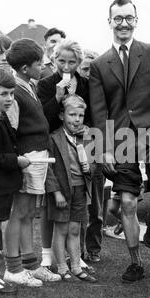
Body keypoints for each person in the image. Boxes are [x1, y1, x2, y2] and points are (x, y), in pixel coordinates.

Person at [89, 0, 150, 282]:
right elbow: (99, 111)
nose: (123, 23)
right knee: (127, 203)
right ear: (109, 22)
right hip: (120, 139)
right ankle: (136, 262)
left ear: (136, 21)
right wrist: (102, 149)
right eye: (118, 18)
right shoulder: (100, 64)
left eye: (129, 18)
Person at [4, 38, 61, 286]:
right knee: (20, 212)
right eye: (39, 63)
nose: (42, 66)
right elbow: (11, 130)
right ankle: (13, 269)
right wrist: (19, 159)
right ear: (26, 67)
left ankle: (30, 265)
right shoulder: (15, 91)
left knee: (28, 213)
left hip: (37, 156)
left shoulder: (28, 85)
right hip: (27, 158)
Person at [37, 40, 93, 271]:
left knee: (79, 207)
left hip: (81, 145)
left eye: (72, 62)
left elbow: (90, 113)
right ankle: (48, 254)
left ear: (79, 63)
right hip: (55, 144)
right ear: (53, 60)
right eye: (62, 61)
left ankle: (76, 255)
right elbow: (44, 118)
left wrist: (86, 128)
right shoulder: (46, 84)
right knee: (53, 206)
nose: (66, 66)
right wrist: (58, 97)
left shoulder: (86, 84)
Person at [46, 95, 96, 282]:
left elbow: (94, 164)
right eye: (72, 114)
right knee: (60, 229)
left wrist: (89, 165)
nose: (76, 119)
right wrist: (56, 192)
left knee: (75, 229)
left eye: (80, 115)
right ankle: (61, 267)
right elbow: (49, 169)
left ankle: (76, 266)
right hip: (62, 190)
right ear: (61, 115)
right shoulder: (54, 138)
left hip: (81, 188)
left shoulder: (87, 137)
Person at [0, 70, 26, 294]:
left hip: (0, 186)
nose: (9, 98)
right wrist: (18, 161)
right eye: (3, 93)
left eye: (12, 93)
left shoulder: (0, 118)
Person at [78, 49, 105, 263]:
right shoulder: (73, 90)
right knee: (77, 203)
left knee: (95, 203)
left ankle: (93, 248)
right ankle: (75, 249)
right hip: (74, 148)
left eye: (92, 69)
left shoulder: (104, 91)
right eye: (86, 68)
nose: (89, 73)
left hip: (97, 147)